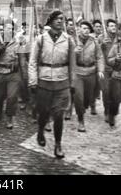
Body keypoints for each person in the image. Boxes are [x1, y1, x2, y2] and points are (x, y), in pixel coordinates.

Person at [28, 10, 75, 158]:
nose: (61, 21)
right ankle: (41, 130)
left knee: (59, 115)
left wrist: (72, 83)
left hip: (62, 83)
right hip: (44, 82)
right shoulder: (40, 40)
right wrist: (33, 81)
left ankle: (58, 144)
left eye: (63, 19)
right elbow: (33, 62)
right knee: (43, 112)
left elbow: (73, 65)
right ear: (51, 21)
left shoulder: (69, 40)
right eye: (57, 19)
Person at [0, 19, 23, 129]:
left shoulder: (17, 41)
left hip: (13, 73)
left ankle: (9, 118)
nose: (10, 30)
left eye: (12, 28)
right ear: (3, 28)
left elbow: (22, 56)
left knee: (12, 96)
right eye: (8, 28)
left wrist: (21, 68)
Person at [73, 21, 105, 132]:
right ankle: (81, 120)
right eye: (84, 28)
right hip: (78, 72)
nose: (86, 30)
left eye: (87, 28)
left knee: (87, 98)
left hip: (91, 72)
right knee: (79, 97)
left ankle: (84, 107)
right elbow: (67, 56)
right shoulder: (73, 40)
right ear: (79, 29)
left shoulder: (94, 42)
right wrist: (74, 52)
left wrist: (100, 70)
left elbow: (100, 57)